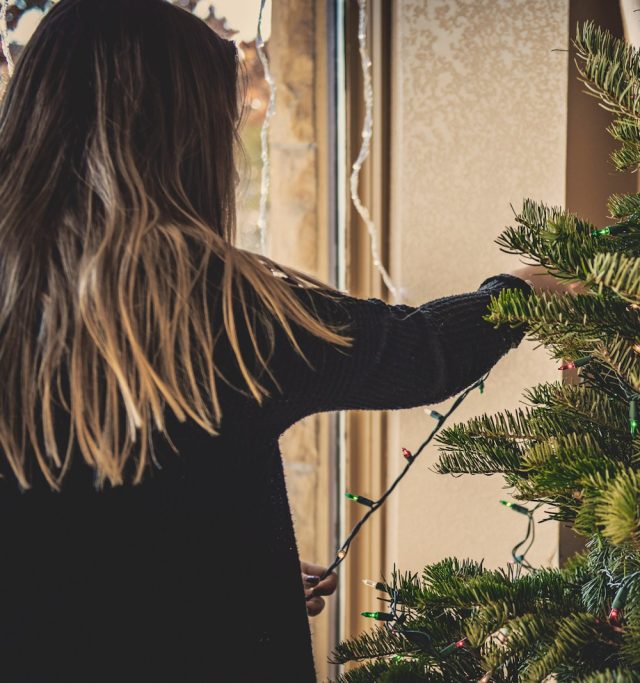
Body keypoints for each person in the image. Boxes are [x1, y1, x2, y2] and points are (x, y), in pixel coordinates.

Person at [0, 1, 568, 680]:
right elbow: (420, 354)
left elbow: (83, 543)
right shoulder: (213, 304)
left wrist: (224, 575)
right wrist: (527, 284)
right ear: (171, 142)